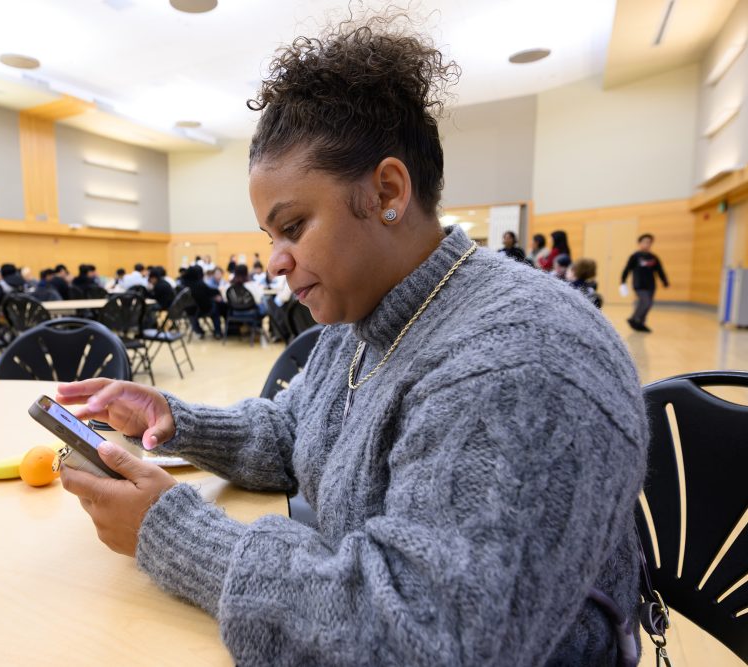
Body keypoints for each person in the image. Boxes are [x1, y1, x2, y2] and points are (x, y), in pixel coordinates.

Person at [53, 17, 648, 666]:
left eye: (293, 226)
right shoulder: (360, 318)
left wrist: (174, 533)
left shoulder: (520, 359)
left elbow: (424, 637)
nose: (276, 262)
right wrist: (178, 420)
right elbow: (293, 433)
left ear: (387, 192)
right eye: (269, 237)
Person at [621, 233, 669, 333]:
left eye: (649, 242)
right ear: (640, 243)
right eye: (644, 242)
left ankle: (641, 323)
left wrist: (664, 281)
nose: (647, 244)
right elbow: (627, 269)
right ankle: (633, 319)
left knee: (648, 304)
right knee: (646, 302)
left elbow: (660, 270)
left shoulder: (654, 257)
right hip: (639, 284)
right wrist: (623, 281)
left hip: (651, 285)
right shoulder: (635, 256)